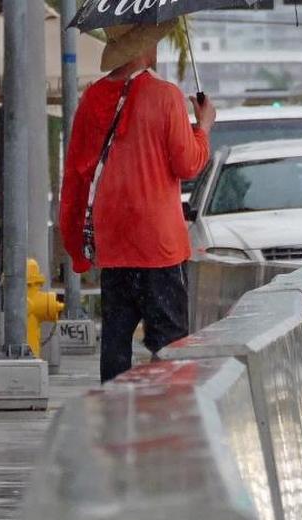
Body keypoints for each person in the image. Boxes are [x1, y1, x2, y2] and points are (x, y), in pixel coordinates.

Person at [59, 20, 215, 383]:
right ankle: (169, 418)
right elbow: (188, 164)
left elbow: (77, 172)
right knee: (169, 345)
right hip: (158, 245)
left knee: (115, 343)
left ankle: (114, 419)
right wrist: (203, 125)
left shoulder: (92, 97)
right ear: (146, 47)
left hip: (113, 242)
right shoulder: (165, 96)